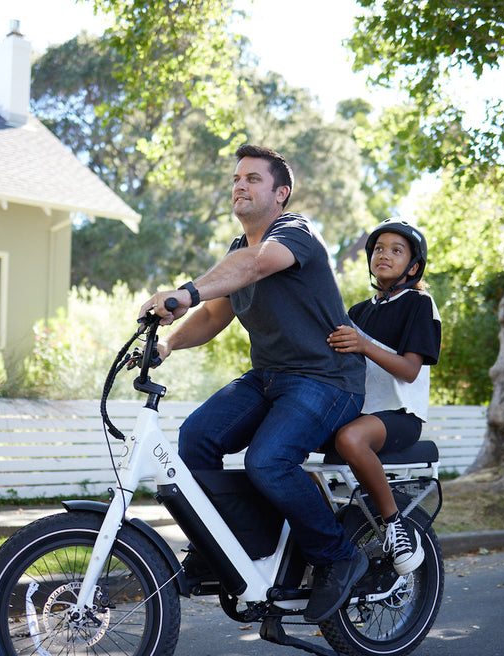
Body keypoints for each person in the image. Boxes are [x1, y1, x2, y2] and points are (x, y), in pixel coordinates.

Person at [140, 143, 367, 624]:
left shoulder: (295, 233)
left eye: (253, 179)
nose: (240, 185)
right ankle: (228, 545)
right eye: (236, 179)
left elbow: (257, 266)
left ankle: (337, 555)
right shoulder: (236, 252)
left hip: (327, 380)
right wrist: (167, 346)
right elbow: (215, 315)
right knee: (196, 440)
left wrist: (184, 291)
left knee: (269, 460)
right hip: (269, 378)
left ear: (280, 193)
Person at [326, 217, 442, 576]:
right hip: (358, 410)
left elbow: (409, 370)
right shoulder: (359, 311)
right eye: (378, 248)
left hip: (399, 415)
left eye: (396, 250)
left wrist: (362, 343)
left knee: (350, 438)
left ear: (414, 265)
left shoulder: (419, 304)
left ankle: (395, 526)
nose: (384, 255)